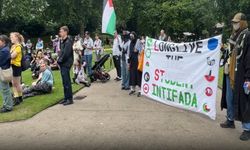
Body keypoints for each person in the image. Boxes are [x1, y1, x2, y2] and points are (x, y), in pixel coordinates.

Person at [227, 12, 250, 141]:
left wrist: (248, 77)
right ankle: (230, 120)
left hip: (242, 74)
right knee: (231, 97)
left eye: (236, 22)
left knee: (245, 101)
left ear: (242, 22)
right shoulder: (235, 35)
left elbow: (248, 58)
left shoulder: (247, 35)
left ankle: (247, 129)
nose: (234, 24)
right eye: (233, 22)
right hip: (232, 71)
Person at [58, 26, 74, 106]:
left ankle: (69, 99)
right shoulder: (63, 41)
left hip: (66, 63)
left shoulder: (68, 41)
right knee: (64, 82)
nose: (60, 33)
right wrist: (58, 60)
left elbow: (66, 54)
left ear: (65, 32)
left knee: (67, 81)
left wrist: (59, 61)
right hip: (63, 63)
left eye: (61, 31)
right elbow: (61, 52)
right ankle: (66, 98)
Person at [220, 43, 235, 128]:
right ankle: (230, 119)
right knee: (229, 98)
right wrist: (222, 49)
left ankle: (247, 128)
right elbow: (228, 53)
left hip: (238, 74)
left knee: (243, 100)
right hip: (228, 73)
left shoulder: (245, 36)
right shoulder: (233, 36)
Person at [10, 32, 24, 105]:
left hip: (16, 66)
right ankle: (17, 98)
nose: (11, 38)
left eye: (12, 37)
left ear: (16, 38)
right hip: (12, 66)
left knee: (17, 83)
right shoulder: (13, 46)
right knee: (13, 83)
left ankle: (20, 97)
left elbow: (12, 56)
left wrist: (7, 55)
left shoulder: (18, 46)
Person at [0, 35, 13, 113]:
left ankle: (8, 106)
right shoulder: (3, 49)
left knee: (5, 89)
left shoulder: (4, 50)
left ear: (3, 41)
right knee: (4, 89)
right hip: (3, 71)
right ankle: (6, 105)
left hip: (4, 72)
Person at [128, 32, 142, 96]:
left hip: (137, 60)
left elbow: (140, 50)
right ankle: (132, 89)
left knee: (138, 75)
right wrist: (128, 62)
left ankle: (140, 90)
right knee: (132, 75)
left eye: (132, 36)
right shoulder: (130, 42)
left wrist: (137, 50)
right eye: (130, 36)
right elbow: (129, 52)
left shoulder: (138, 41)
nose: (131, 37)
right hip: (132, 61)